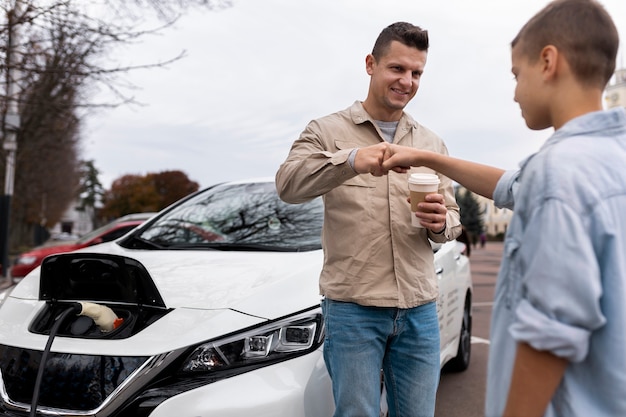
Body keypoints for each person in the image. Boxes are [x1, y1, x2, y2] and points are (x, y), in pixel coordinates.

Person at [381, 1, 626, 416]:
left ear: (548, 61)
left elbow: (551, 334)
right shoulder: (609, 158)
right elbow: (510, 185)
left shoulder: (558, 173)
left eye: (517, 74)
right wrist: (429, 158)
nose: (514, 92)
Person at [275, 22, 461, 417]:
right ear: (370, 64)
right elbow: (288, 185)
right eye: (397, 68)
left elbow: (454, 221)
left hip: (419, 309)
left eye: (416, 73)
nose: (407, 81)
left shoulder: (431, 143)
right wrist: (352, 160)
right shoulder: (326, 131)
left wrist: (439, 223)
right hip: (353, 310)